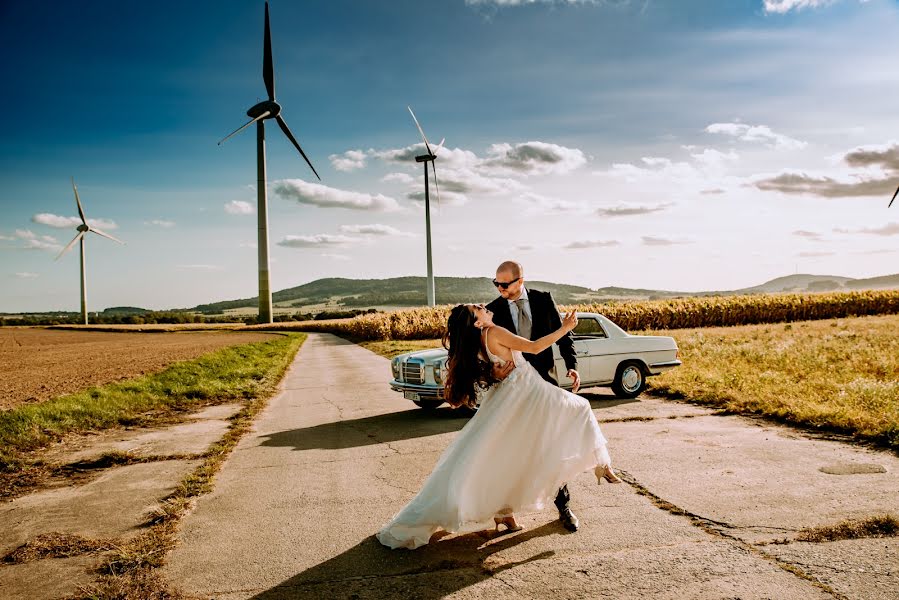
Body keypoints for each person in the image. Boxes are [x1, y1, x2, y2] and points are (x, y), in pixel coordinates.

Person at [376, 303, 620, 550]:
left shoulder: (478, 340)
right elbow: (534, 348)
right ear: (478, 322)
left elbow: (486, 369)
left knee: (506, 457)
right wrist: (565, 328)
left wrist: (492, 373)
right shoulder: (494, 332)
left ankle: (505, 513)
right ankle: (601, 463)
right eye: (478, 309)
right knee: (581, 408)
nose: (484, 306)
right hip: (530, 393)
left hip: (512, 397)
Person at [485, 260, 598, 533]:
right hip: (512, 390)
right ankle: (504, 509)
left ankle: (564, 507)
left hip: (544, 384)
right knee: (513, 451)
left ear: (520, 280)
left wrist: (571, 365)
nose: (500, 289)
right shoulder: (493, 310)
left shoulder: (543, 300)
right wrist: (492, 372)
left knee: (552, 445)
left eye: (505, 284)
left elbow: (562, 337)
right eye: (496, 283)